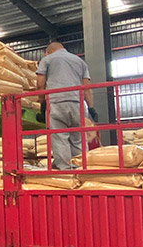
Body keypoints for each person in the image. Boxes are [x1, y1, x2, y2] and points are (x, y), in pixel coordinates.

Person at [36, 41, 99, 170]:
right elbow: (86, 88)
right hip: (77, 104)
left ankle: (64, 169)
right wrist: (91, 108)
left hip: (57, 102)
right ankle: (81, 167)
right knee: (78, 138)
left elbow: (40, 83)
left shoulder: (47, 59)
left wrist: (42, 102)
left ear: (48, 51)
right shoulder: (80, 62)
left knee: (60, 137)